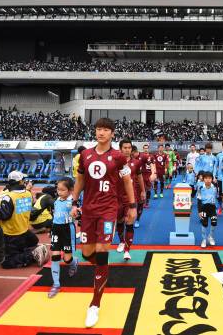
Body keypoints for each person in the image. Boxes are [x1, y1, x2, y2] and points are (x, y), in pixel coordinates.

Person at [72, 118, 136, 328]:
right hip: (89, 211)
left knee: (102, 250)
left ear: (112, 134)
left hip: (109, 210)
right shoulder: (85, 155)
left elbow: (127, 181)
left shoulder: (118, 157)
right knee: (87, 253)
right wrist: (74, 202)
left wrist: (133, 206)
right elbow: (80, 180)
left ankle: (95, 304)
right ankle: (103, 269)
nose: (101, 132)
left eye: (105, 129)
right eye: (99, 129)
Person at [0, 171, 49, 269]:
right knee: (31, 241)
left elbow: (3, 215)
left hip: (11, 234)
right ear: (20, 182)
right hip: (24, 230)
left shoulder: (8, 197)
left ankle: (32, 255)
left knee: (6, 263)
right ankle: (28, 250)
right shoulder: (28, 194)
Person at [47, 178, 78, 298]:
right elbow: (55, 216)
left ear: (70, 190)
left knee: (67, 259)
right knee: (55, 256)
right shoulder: (56, 201)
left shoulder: (72, 202)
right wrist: (52, 229)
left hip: (67, 231)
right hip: (56, 229)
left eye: (62, 190)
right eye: (58, 189)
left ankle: (74, 262)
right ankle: (56, 284)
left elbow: (78, 215)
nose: (59, 192)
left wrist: (77, 214)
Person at [115, 140, 145, 260]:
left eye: (129, 148)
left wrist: (143, 191)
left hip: (131, 197)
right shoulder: (114, 162)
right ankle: (121, 241)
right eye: (125, 147)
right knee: (120, 221)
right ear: (120, 148)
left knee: (129, 221)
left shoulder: (136, 163)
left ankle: (127, 250)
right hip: (117, 197)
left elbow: (140, 177)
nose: (127, 150)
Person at [196, 172, 218, 248]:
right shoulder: (201, 188)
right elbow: (198, 200)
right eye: (206, 178)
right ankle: (204, 239)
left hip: (212, 208)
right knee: (204, 224)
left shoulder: (215, 187)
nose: (208, 180)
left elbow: (217, 197)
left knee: (214, 222)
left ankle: (210, 237)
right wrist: (199, 211)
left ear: (212, 179)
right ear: (203, 179)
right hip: (204, 208)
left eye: (209, 178)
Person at [140, 144, 156, 208]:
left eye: (147, 148)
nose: (146, 149)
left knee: (148, 189)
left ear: (148, 149)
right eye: (145, 148)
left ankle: (147, 202)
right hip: (142, 174)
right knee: (142, 189)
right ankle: (142, 201)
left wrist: (154, 173)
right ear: (143, 149)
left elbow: (153, 165)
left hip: (149, 174)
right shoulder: (140, 156)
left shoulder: (151, 157)